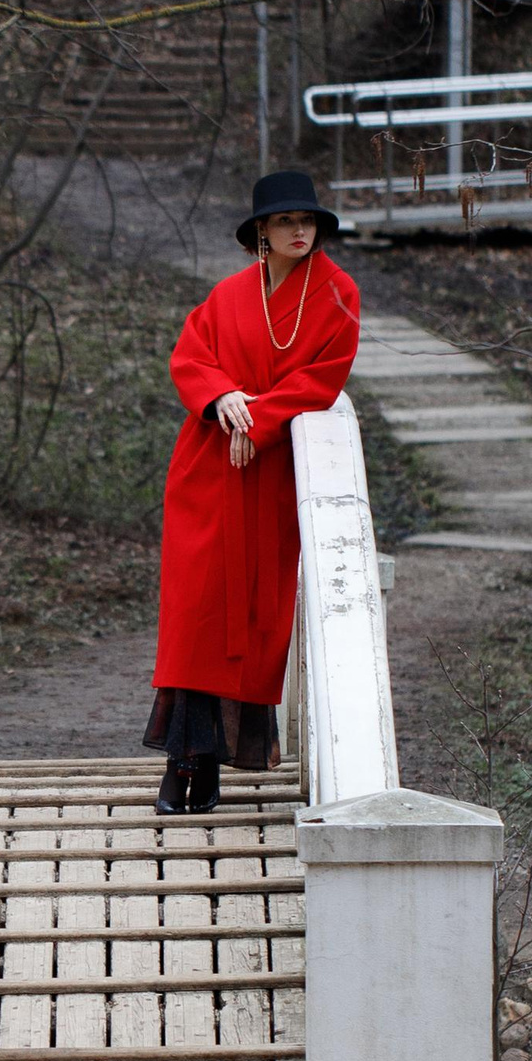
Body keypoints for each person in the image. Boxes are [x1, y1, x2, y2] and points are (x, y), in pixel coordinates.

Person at [145, 168, 361, 813]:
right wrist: (225, 401)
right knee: (195, 617)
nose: (301, 230)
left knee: (253, 619)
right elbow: (191, 357)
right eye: (286, 221)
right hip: (207, 469)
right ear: (260, 233)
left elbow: (321, 379)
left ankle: (209, 769)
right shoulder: (229, 294)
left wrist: (258, 421)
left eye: (309, 221)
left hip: (270, 472)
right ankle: (186, 767)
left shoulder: (339, 293)